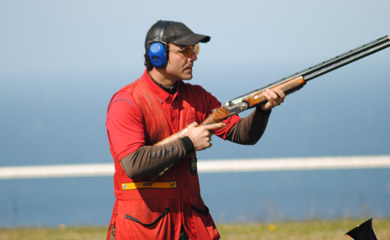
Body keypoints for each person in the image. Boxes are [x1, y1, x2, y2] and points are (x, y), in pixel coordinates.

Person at [105, 20, 285, 240]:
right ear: (157, 53)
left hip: (190, 226)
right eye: (185, 50)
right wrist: (188, 143)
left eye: (194, 49)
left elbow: (242, 134)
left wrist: (262, 111)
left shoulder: (197, 96)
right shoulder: (127, 101)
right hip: (144, 231)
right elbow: (134, 164)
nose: (194, 57)